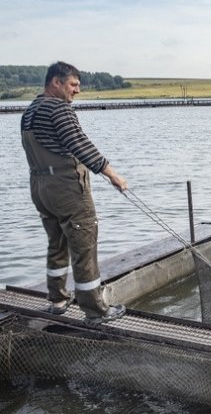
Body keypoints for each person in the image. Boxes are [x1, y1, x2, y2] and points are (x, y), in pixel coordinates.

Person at [21, 61, 128, 325]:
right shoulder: (59, 109)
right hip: (67, 189)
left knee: (56, 242)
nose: (77, 91)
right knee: (84, 244)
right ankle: (95, 310)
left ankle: (57, 299)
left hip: (40, 188)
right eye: (73, 84)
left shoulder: (31, 110)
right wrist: (113, 175)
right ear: (55, 82)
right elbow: (80, 144)